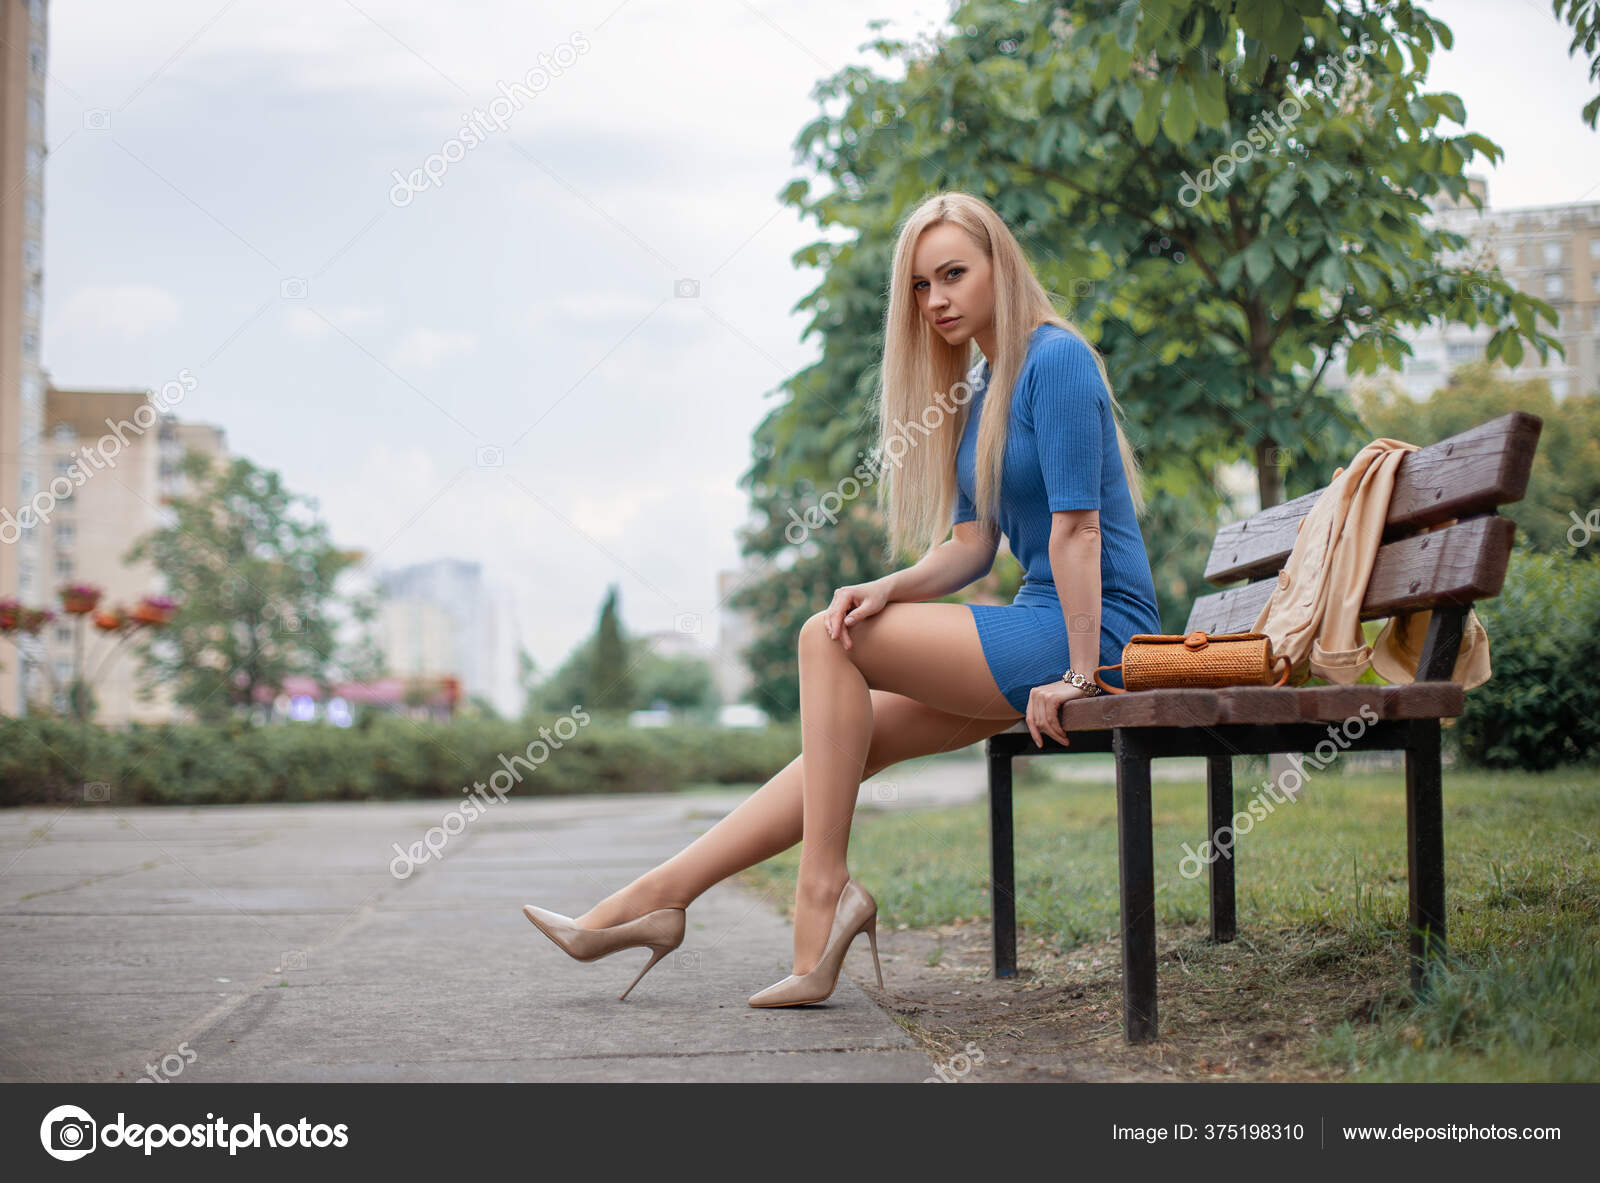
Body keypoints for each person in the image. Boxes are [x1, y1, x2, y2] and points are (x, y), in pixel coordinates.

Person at [522, 190, 1162, 1008]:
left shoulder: (1055, 360)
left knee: (826, 638)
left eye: (954, 275)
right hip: (1044, 627)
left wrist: (1078, 676)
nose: (936, 301)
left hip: (1099, 634)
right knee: (847, 735)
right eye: (921, 287)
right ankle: (654, 898)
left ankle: (820, 901)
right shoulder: (984, 389)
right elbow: (972, 546)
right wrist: (885, 586)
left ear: (1000, 264)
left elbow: (1079, 534)